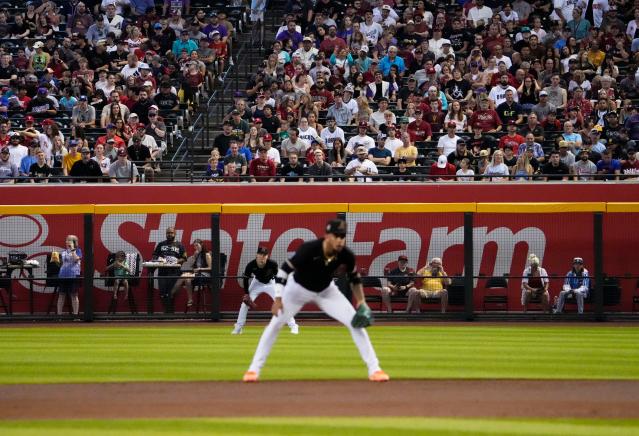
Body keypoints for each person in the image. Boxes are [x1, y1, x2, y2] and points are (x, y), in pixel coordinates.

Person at [243, 219, 388, 382]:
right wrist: (278, 298)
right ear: (327, 236)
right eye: (337, 236)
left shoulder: (346, 255)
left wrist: (361, 302)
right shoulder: (309, 249)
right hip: (297, 290)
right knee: (275, 324)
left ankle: (375, 369)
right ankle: (253, 370)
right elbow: (284, 270)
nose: (340, 240)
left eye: (343, 236)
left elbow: (355, 278)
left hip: (326, 291)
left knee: (356, 322)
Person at [233, 247, 299, 335]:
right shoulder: (250, 265)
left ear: (267, 256)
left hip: (270, 283)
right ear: (257, 255)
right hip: (256, 283)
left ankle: (293, 326)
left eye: (264, 255)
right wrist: (247, 294)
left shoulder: (272, 264)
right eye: (260, 254)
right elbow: (246, 280)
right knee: (244, 304)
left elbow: (277, 276)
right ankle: (238, 327)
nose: (262, 257)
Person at [152, 227, 187, 312]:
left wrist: (176, 261)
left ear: (175, 234)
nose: (169, 234)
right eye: (168, 233)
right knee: (162, 293)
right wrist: (159, 259)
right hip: (162, 272)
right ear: (166, 234)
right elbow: (154, 255)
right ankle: (166, 311)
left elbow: (184, 258)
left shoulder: (180, 245)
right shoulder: (161, 244)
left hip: (174, 272)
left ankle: (171, 312)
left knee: (172, 293)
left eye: (171, 233)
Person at [170, 239, 212, 308]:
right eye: (194, 246)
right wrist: (194, 257)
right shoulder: (197, 255)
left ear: (201, 245)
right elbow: (190, 265)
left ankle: (171, 294)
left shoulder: (207, 255)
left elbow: (211, 268)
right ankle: (190, 299)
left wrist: (200, 269)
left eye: (197, 245)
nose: (196, 247)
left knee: (184, 276)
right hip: (197, 274)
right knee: (186, 279)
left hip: (205, 275)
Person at [56, 234, 82, 316]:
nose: (67, 241)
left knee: (74, 295)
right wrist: (55, 260)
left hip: (74, 275)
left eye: (69, 240)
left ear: (74, 242)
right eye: (66, 240)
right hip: (63, 275)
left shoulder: (78, 250)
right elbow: (61, 264)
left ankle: (75, 315)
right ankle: (59, 315)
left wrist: (72, 250)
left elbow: (76, 259)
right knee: (61, 295)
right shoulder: (63, 252)